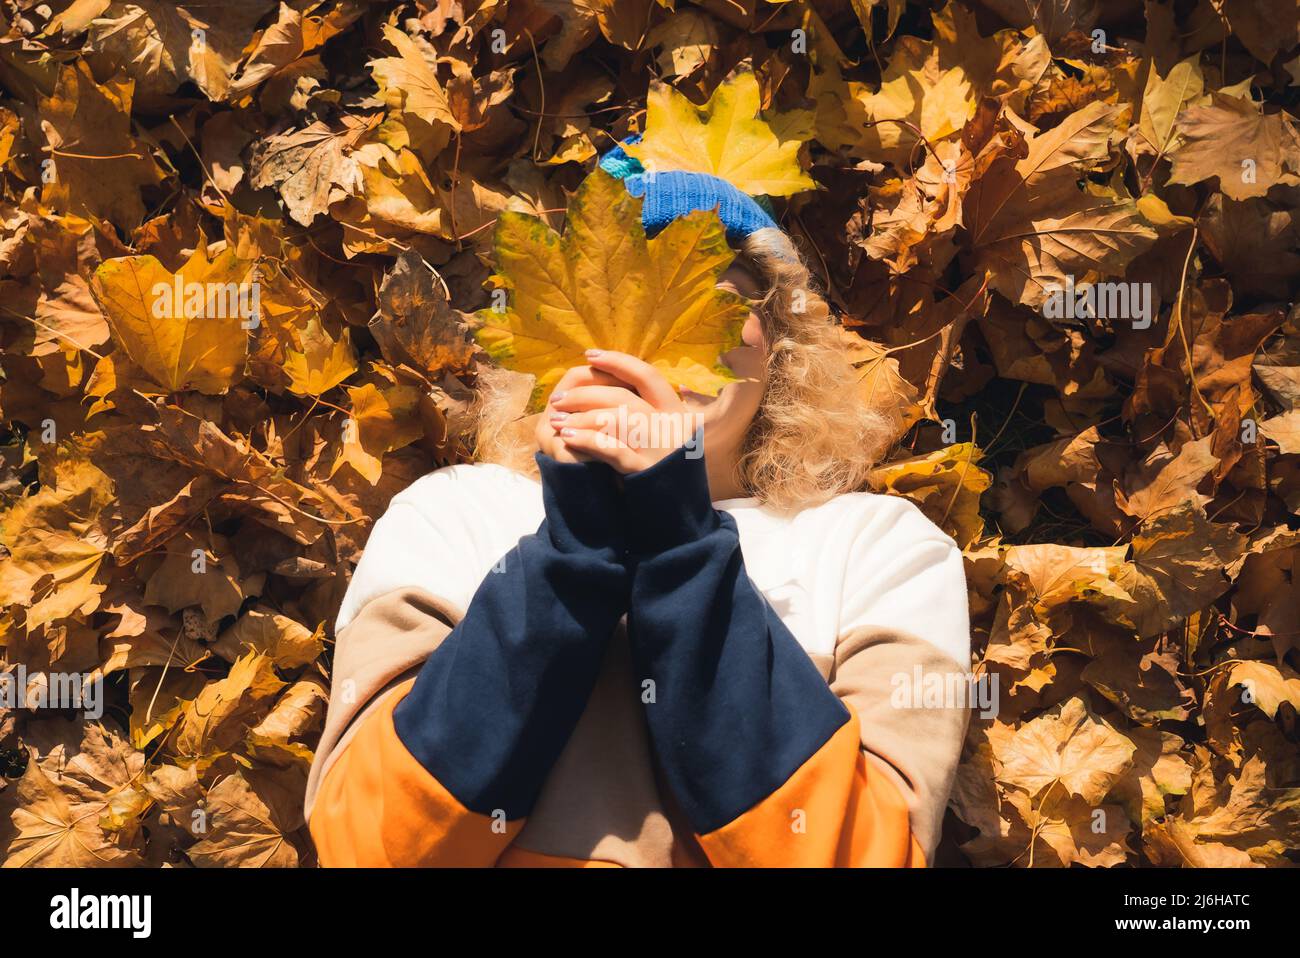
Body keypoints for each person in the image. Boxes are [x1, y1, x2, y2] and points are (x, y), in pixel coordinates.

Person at [303, 141, 972, 867]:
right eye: (624, 291)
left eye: (714, 292)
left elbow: (862, 855)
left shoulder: (880, 548)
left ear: (780, 345)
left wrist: (681, 545)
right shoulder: (454, 515)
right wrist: (571, 557)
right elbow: (370, 847)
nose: (662, 329)